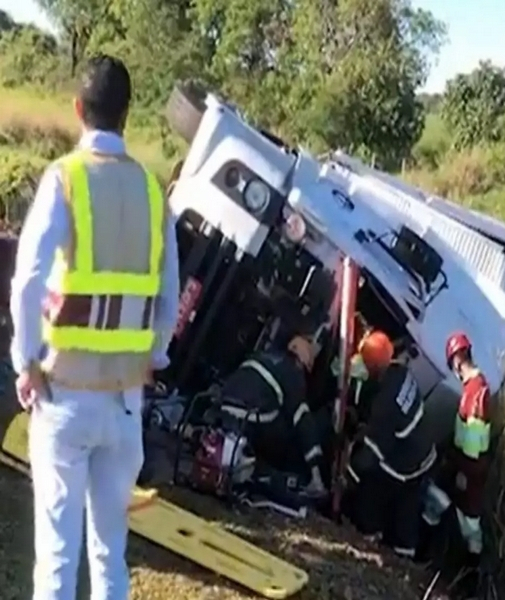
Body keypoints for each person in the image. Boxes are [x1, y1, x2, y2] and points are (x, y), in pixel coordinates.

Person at [9, 55, 180, 600]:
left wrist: (26, 361)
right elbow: (168, 295)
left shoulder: (64, 180)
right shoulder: (154, 194)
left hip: (64, 396)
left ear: (78, 109)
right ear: (127, 114)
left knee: (57, 560)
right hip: (125, 403)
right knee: (111, 555)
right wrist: (153, 357)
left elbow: (28, 279)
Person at [343, 330, 438, 559]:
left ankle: (369, 537)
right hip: (424, 454)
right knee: (407, 512)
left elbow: (372, 453)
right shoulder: (402, 373)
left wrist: (348, 473)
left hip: (402, 465)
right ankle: (406, 555)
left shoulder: (385, 406)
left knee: (371, 494)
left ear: (373, 367)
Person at [219, 335, 329, 496]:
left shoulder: (264, 355)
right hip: (251, 418)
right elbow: (303, 420)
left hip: (225, 408)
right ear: (303, 362)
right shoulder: (293, 372)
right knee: (290, 429)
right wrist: (316, 471)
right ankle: (268, 473)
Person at [422, 331, 492, 557]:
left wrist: (463, 470)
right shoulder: (476, 388)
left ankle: (465, 569)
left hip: (469, 468)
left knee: (469, 523)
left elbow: (472, 443)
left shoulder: (474, 394)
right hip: (465, 464)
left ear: (457, 360)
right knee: (444, 505)